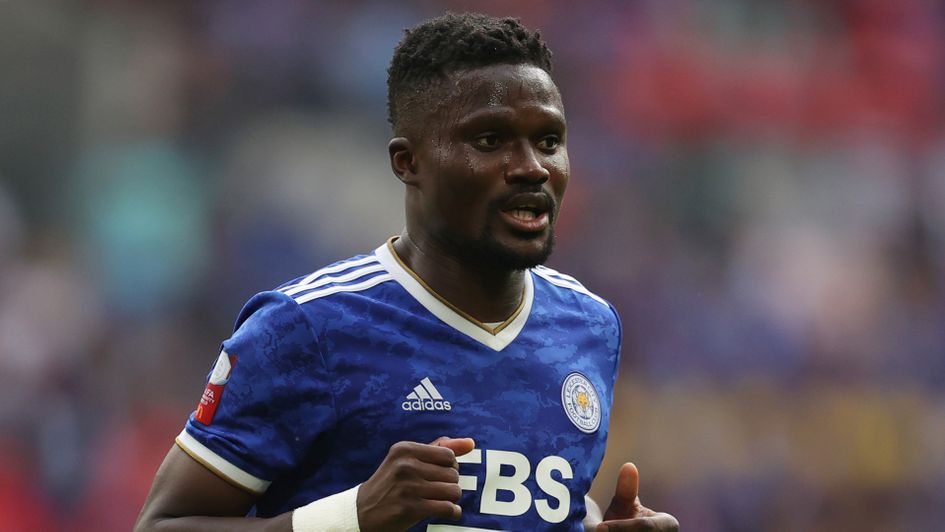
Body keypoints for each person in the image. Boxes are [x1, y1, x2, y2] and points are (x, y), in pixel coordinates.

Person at [135, 12, 679, 532]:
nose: (532, 167)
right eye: (490, 141)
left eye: (548, 142)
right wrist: (352, 517)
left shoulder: (589, 326)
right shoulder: (307, 328)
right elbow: (163, 523)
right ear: (408, 162)